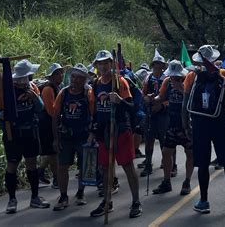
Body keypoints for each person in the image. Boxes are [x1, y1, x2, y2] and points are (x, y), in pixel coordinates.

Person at [182, 45, 225, 214]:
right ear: (213, 59)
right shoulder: (223, 75)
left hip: (200, 123)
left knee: (203, 164)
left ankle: (204, 201)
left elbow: (186, 104)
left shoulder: (191, 76)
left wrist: (186, 125)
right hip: (220, 121)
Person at [88, 50, 142, 218]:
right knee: (105, 168)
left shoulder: (120, 82)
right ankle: (107, 201)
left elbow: (132, 107)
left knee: (127, 166)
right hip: (103, 132)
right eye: (100, 63)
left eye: (106, 63)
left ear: (112, 64)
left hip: (120, 129)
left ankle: (136, 202)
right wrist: (92, 132)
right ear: (96, 66)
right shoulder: (96, 84)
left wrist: (120, 100)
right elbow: (95, 112)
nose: (103, 66)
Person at [0, 59, 50, 213]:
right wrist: (2, 116)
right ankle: (12, 200)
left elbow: (40, 108)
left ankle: (35, 197)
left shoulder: (32, 88)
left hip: (30, 132)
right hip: (13, 134)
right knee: (12, 165)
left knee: (31, 163)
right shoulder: (5, 91)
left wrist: (34, 97)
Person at [52, 64, 94, 211]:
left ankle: (80, 193)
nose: (75, 80)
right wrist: (56, 139)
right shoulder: (63, 93)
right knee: (62, 166)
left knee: (83, 166)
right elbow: (55, 116)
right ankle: (63, 196)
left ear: (84, 80)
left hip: (83, 136)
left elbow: (93, 115)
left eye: (79, 78)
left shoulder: (88, 94)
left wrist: (92, 134)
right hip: (66, 136)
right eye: (73, 77)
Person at [152, 60, 194, 195]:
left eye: (176, 76)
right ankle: (166, 181)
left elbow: (193, 100)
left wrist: (181, 88)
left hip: (187, 124)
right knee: (166, 152)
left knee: (190, 153)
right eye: (172, 75)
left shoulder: (188, 81)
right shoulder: (167, 82)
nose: (174, 78)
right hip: (172, 123)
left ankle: (187, 181)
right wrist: (153, 99)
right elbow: (161, 96)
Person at [141, 53, 176, 178]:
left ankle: (172, 166)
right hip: (150, 113)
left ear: (163, 66)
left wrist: (161, 105)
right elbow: (143, 94)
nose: (157, 66)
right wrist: (146, 99)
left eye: (160, 64)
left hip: (164, 114)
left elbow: (173, 97)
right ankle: (148, 165)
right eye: (155, 64)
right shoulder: (148, 78)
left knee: (166, 141)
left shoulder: (168, 79)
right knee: (148, 140)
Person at [38, 63, 64, 188]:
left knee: (53, 153)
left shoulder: (57, 87)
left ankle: (41, 172)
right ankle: (57, 179)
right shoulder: (48, 89)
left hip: (53, 123)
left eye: (61, 72)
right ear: (52, 76)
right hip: (47, 125)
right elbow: (51, 111)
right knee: (53, 154)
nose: (61, 75)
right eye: (58, 73)